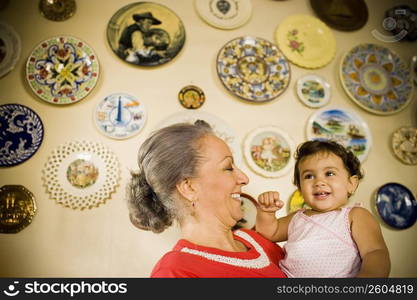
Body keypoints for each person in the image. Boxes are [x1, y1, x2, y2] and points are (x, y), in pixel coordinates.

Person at [126, 120, 287, 278]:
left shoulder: (258, 241)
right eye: (228, 167)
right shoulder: (174, 272)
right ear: (189, 188)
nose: (244, 178)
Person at [256, 140, 391, 278]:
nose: (319, 182)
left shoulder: (354, 215)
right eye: (309, 176)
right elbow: (270, 232)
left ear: (351, 183)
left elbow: (374, 252)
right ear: (300, 189)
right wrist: (266, 212)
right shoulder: (297, 218)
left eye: (329, 173)